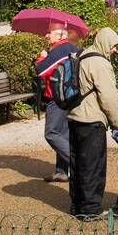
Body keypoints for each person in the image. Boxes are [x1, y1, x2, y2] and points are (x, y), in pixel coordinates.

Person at [65, 26, 118, 219]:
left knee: (76, 164)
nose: (115, 50)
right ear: (105, 43)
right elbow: (108, 98)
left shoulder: (82, 55)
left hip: (74, 117)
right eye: (114, 45)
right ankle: (91, 209)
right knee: (92, 166)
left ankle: (77, 205)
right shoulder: (100, 63)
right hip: (91, 120)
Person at [34, 23, 88, 184]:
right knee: (63, 133)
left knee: (52, 133)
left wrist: (43, 57)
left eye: (49, 33)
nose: (46, 36)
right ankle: (61, 171)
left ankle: (78, 163)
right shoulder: (72, 48)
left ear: (59, 35)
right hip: (72, 97)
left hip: (57, 99)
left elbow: (40, 71)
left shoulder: (58, 51)